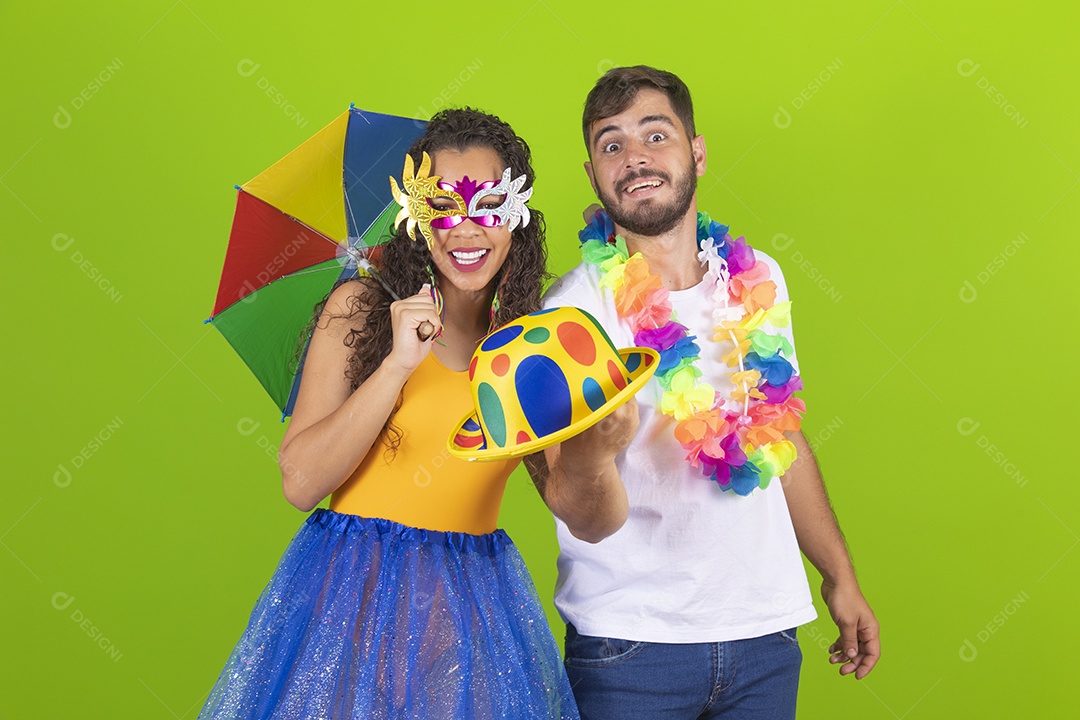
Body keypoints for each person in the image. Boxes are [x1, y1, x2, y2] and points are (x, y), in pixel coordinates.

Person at [198, 108, 580, 720]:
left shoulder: (526, 345)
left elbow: (568, 496)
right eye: (443, 209)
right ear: (415, 220)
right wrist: (398, 364)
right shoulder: (362, 308)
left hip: (472, 611)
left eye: (486, 205)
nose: (465, 230)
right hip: (355, 600)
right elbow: (300, 482)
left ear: (517, 218)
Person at [536, 66, 880, 719]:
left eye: (654, 135)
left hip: (766, 633)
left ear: (697, 151)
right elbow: (577, 511)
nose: (634, 156)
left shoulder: (758, 280)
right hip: (631, 646)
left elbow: (780, 436)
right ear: (593, 175)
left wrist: (838, 575)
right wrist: (591, 450)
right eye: (611, 144)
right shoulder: (572, 311)